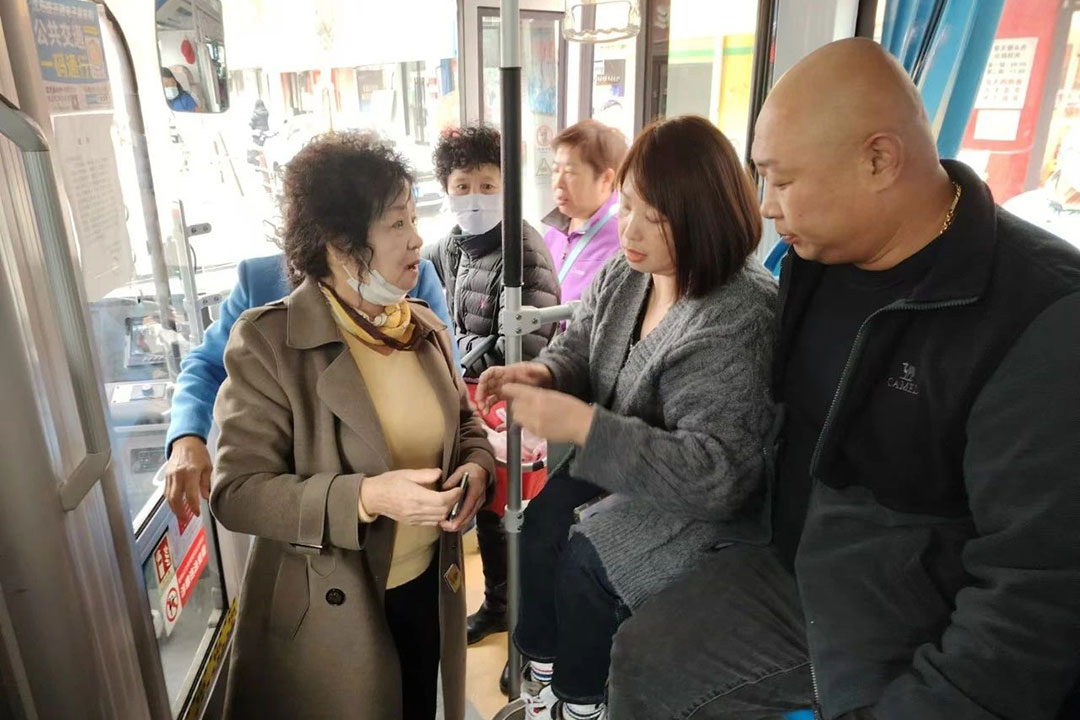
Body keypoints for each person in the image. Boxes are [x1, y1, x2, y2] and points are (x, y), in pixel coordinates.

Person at [606, 38, 1080, 720]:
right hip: (792, 555)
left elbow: (1036, 595)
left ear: (878, 159)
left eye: (782, 181)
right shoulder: (815, 263)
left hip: (911, 616)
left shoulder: (1039, 317)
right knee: (635, 646)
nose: (766, 208)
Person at [476, 115, 778, 720]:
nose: (629, 229)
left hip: (693, 501)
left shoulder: (740, 315)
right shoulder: (628, 272)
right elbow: (580, 345)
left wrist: (583, 426)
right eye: (628, 206)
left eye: (655, 218)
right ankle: (545, 674)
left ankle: (580, 702)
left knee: (588, 564)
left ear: (705, 219)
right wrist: (544, 374)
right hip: (621, 466)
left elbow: (714, 475)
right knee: (538, 527)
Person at [209, 131, 495, 720]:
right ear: (340, 244)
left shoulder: (422, 328)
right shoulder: (271, 342)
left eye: (415, 219)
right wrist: (366, 498)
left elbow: (466, 427)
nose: (416, 238)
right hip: (331, 608)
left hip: (426, 586)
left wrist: (476, 468)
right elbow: (237, 493)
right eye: (397, 224)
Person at [162, 252, 453, 520]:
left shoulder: (414, 275)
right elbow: (206, 364)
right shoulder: (261, 282)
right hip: (302, 513)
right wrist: (187, 436)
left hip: (420, 505)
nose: (413, 239)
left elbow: (450, 381)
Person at [423, 124, 560, 653]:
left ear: (507, 186)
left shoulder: (523, 250)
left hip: (512, 403)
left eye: (486, 184)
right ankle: (500, 606)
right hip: (474, 401)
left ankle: (529, 631)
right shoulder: (453, 247)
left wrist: (461, 357)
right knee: (484, 507)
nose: (474, 197)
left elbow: (527, 343)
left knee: (518, 520)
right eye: (462, 186)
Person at [542, 119, 627, 303]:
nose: (558, 183)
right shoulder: (553, 233)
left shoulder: (622, 243)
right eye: (555, 170)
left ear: (606, 178)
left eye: (570, 172)